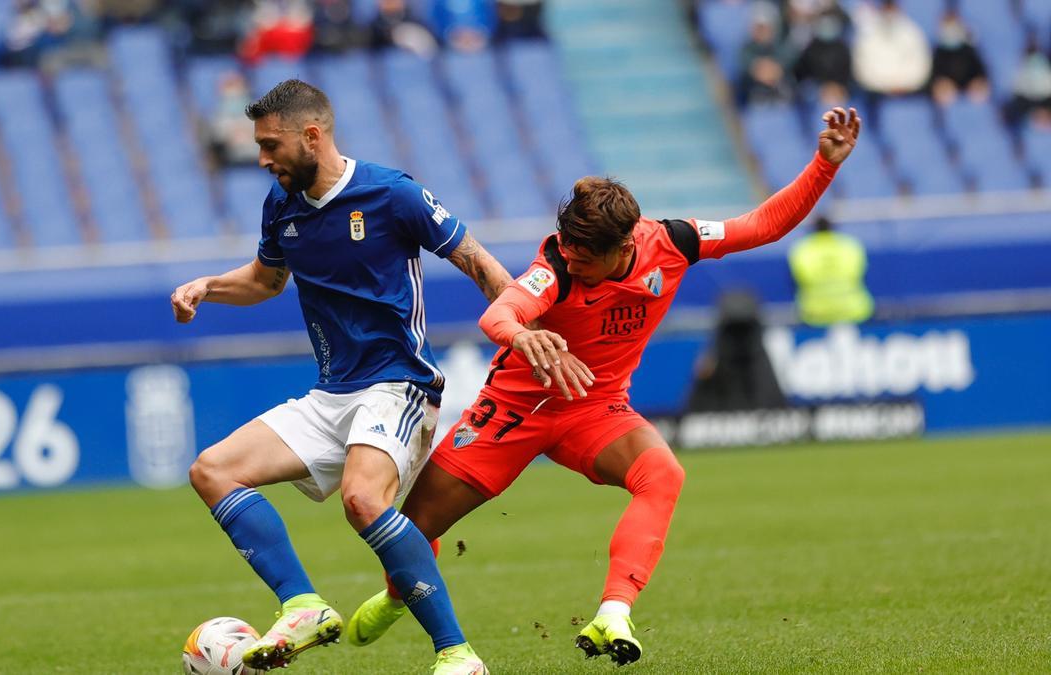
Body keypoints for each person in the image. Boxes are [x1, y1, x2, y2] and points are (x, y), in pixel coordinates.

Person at [346, 106, 860, 666]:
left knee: (662, 472)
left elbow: (761, 225)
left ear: (625, 248)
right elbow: (502, 313)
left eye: (584, 257)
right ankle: (398, 596)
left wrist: (823, 166)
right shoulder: (557, 266)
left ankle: (615, 611)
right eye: (566, 249)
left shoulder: (674, 241)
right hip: (513, 413)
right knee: (410, 532)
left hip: (597, 411)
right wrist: (521, 336)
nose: (571, 260)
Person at [172, 79, 515, 674]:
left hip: (400, 384)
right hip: (334, 393)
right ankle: (303, 605)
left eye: (270, 145)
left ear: (313, 135)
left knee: (361, 498)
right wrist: (208, 286)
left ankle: (458, 655)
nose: (261, 159)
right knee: (213, 470)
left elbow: (479, 262)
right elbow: (265, 280)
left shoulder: (392, 194)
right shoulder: (281, 203)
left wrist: (520, 328)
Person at [788, 215, 873, 326]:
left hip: (815, 314)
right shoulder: (850, 246)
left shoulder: (802, 250)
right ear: (833, 228)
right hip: (853, 311)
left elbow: (794, 281)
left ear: (812, 229)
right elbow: (863, 275)